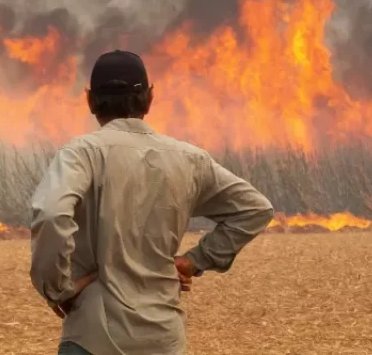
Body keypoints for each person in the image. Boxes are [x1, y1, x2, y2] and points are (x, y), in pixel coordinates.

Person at [30, 50, 275, 355]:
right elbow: (255, 209)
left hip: (93, 336)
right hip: (163, 338)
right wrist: (194, 260)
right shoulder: (187, 159)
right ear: (149, 98)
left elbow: (52, 214)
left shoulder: (81, 155)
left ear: (91, 101)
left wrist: (58, 289)